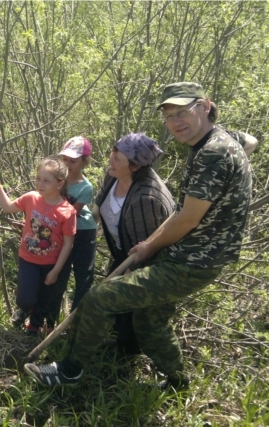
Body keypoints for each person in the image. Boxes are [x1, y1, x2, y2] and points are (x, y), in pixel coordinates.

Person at [25, 82, 252, 390]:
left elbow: (186, 218)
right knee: (148, 321)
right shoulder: (222, 141)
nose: (176, 123)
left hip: (192, 261)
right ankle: (177, 381)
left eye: (183, 112)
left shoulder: (211, 154)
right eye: (169, 116)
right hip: (190, 256)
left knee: (100, 297)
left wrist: (147, 247)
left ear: (206, 105)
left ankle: (69, 372)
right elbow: (248, 140)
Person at [93, 133, 175, 356]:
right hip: (122, 253)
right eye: (113, 152)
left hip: (147, 262)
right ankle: (119, 341)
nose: (111, 159)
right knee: (116, 308)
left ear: (136, 166)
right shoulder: (113, 176)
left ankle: (126, 358)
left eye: (118, 158)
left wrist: (126, 275)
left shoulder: (147, 199)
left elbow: (148, 249)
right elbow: (97, 208)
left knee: (131, 309)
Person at [0, 157, 76, 336]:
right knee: (25, 299)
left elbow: (68, 244)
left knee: (44, 299)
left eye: (46, 180)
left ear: (60, 183)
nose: (40, 184)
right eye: (38, 179)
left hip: (50, 263)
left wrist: (56, 270)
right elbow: (7, 207)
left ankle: (34, 328)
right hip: (28, 259)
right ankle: (24, 310)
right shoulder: (31, 198)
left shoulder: (67, 211)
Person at [44, 137, 97, 334]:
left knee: (83, 278)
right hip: (59, 232)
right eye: (64, 159)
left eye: (72, 161)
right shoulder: (56, 181)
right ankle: (49, 325)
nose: (67, 164)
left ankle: (75, 326)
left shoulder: (85, 187)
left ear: (84, 161)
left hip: (82, 233)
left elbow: (69, 214)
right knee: (58, 276)